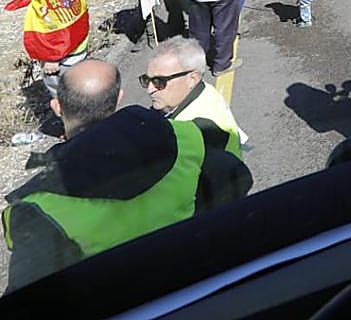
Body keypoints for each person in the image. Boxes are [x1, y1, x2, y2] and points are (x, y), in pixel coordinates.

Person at [2, 60, 251, 290]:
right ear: (119, 97)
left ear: (57, 107)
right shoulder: (185, 136)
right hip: (194, 283)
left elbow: (28, 302)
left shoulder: (39, 208)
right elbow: (236, 176)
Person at [13, 0, 89, 98]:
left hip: (64, 56)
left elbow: (63, 26)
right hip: (72, 47)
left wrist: (53, 58)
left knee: (70, 98)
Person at [143, 38, 248, 151]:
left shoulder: (194, 131)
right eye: (146, 80)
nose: (150, 90)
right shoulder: (204, 91)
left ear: (192, 79)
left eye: (159, 81)